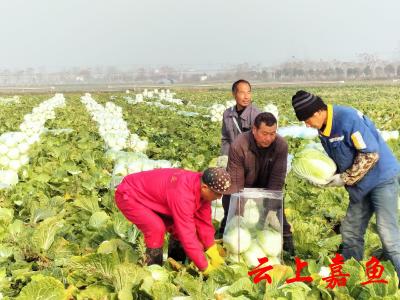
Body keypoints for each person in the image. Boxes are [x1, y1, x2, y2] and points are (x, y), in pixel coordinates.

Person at [291, 90, 400, 280]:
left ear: (318, 112)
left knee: (387, 233)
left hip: (382, 180)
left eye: (307, 119)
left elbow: (370, 155)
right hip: (360, 186)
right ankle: (352, 276)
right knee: (350, 230)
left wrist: (344, 178)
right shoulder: (323, 128)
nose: (306, 124)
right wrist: (326, 177)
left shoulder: (347, 118)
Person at [115, 167, 231, 275]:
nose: (220, 197)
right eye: (217, 193)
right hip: (130, 195)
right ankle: (152, 271)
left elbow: (204, 223)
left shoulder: (202, 190)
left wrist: (213, 251)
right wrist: (205, 268)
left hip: (154, 199)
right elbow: (187, 235)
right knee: (156, 228)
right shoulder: (183, 194)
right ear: (205, 187)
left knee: (177, 229)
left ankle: (175, 266)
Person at [219, 112, 295, 255]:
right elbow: (235, 183)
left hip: (267, 187)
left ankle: (288, 251)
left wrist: (271, 210)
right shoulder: (239, 145)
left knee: (278, 220)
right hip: (242, 186)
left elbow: (277, 180)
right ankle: (224, 245)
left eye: (272, 134)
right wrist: (238, 215)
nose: (269, 138)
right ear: (254, 130)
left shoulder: (280, 145)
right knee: (231, 219)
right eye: (265, 133)